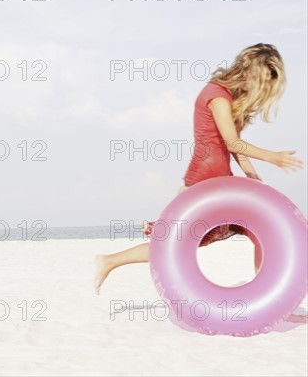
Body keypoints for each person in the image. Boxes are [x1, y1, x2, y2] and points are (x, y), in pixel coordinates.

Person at [94, 43, 304, 301]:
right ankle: (109, 261)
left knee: (254, 229)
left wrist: (253, 178)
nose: (256, 93)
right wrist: (273, 157)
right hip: (204, 178)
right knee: (179, 243)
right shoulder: (217, 95)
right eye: (259, 84)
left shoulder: (229, 100)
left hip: (219, 178)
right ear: (248, 72)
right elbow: (232, 142)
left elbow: (237, 151)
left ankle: (270, 292)